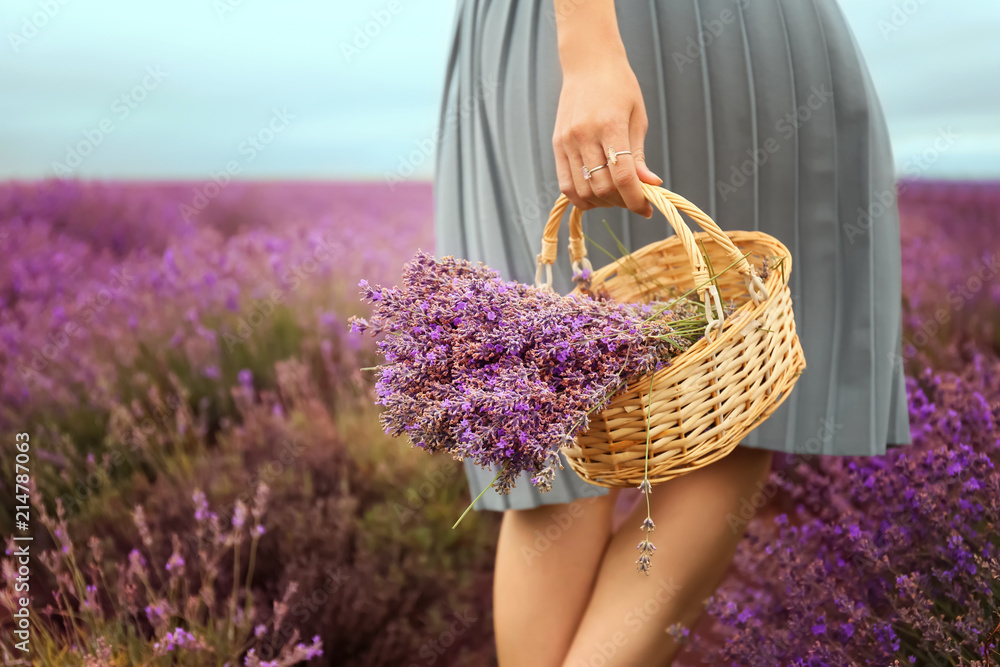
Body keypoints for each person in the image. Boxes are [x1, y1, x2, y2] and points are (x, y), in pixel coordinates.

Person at [433, 0, 912, 664]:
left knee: (721, 404)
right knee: (588, 432)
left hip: (725, 41)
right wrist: (589, 50)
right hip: (608, 32)